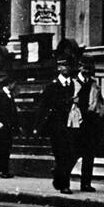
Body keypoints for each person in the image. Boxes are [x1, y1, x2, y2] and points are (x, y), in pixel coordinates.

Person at [35, 56, 78, 194]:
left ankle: (58, 174)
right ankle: (64, 184)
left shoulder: (73, 85)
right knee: (61, 156)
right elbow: (45, 106)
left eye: (68, 66)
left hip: (71, 126)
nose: (66, 68)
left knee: (72, 155)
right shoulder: (52, 86)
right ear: (59, 68)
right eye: (63, 66)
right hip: (57, 127)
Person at [72, 57, 104, 192]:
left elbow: (99, 103)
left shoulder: (94, 84)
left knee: (89, 155)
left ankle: (86, 183)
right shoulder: (73, 83)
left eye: (90, 69)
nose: (87, 71)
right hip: (75, 124)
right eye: (85, 68)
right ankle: (62, 178)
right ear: (79, 67)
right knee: (72, 153)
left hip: (90, 125)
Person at [0, 75, 19, 179]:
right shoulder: (0, 95)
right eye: (14, 84)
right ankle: (2, 170)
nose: (15, 86)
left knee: (6, 148)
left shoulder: (9, 95)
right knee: (3, 149)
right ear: (9, 84)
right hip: (2, 126)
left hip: (8, 126)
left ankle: (1, 169)